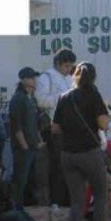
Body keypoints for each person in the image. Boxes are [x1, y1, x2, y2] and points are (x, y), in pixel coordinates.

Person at [52, 62, 111, 221]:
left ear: (75, 76)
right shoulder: (93, 95)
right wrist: (106, 111)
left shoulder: (64, 98)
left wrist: (71, 132)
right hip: (89, 152)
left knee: (76, 201)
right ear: (93, 78)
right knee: (99, 196)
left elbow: (55, 128)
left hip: (68, 154)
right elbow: (104, 124)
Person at [35, 48, 76, 207]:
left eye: (71, 66)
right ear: (58, 63)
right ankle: (56, 201)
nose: (69, 69)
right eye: (66, 66)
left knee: (68, 166)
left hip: (69, 129)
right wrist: (62, 97)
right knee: (57, 166)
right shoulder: (46, 77)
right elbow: (41, 101)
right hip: (53, 128)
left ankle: (67, 200)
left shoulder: (69, 79)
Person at [9, 67, 45, 209]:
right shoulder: (18, 99)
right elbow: (16, 125)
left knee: (31, 179)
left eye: (35, 78)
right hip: (23, 147)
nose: (34, 80)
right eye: (31, 78)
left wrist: (40, 140)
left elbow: (36, 122)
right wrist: (23, 145)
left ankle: (29, 205)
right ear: (23, 80)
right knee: (20, 179)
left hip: (34, 145)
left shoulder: (32, 98)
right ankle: (16, 206)